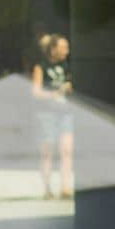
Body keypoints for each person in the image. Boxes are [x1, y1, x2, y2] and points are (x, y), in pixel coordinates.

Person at [32, 33, 75, 200]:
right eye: (63, 47)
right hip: (47, 114)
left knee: (67, 150)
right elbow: (36, 92)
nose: (67, 51)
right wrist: (55, 93)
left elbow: (72, 84)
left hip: (65, 113)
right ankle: (47, 188)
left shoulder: (67, 66)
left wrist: (69, 88)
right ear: (53, 49)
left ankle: (65, 187)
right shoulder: (41, 67)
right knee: (47, 152)